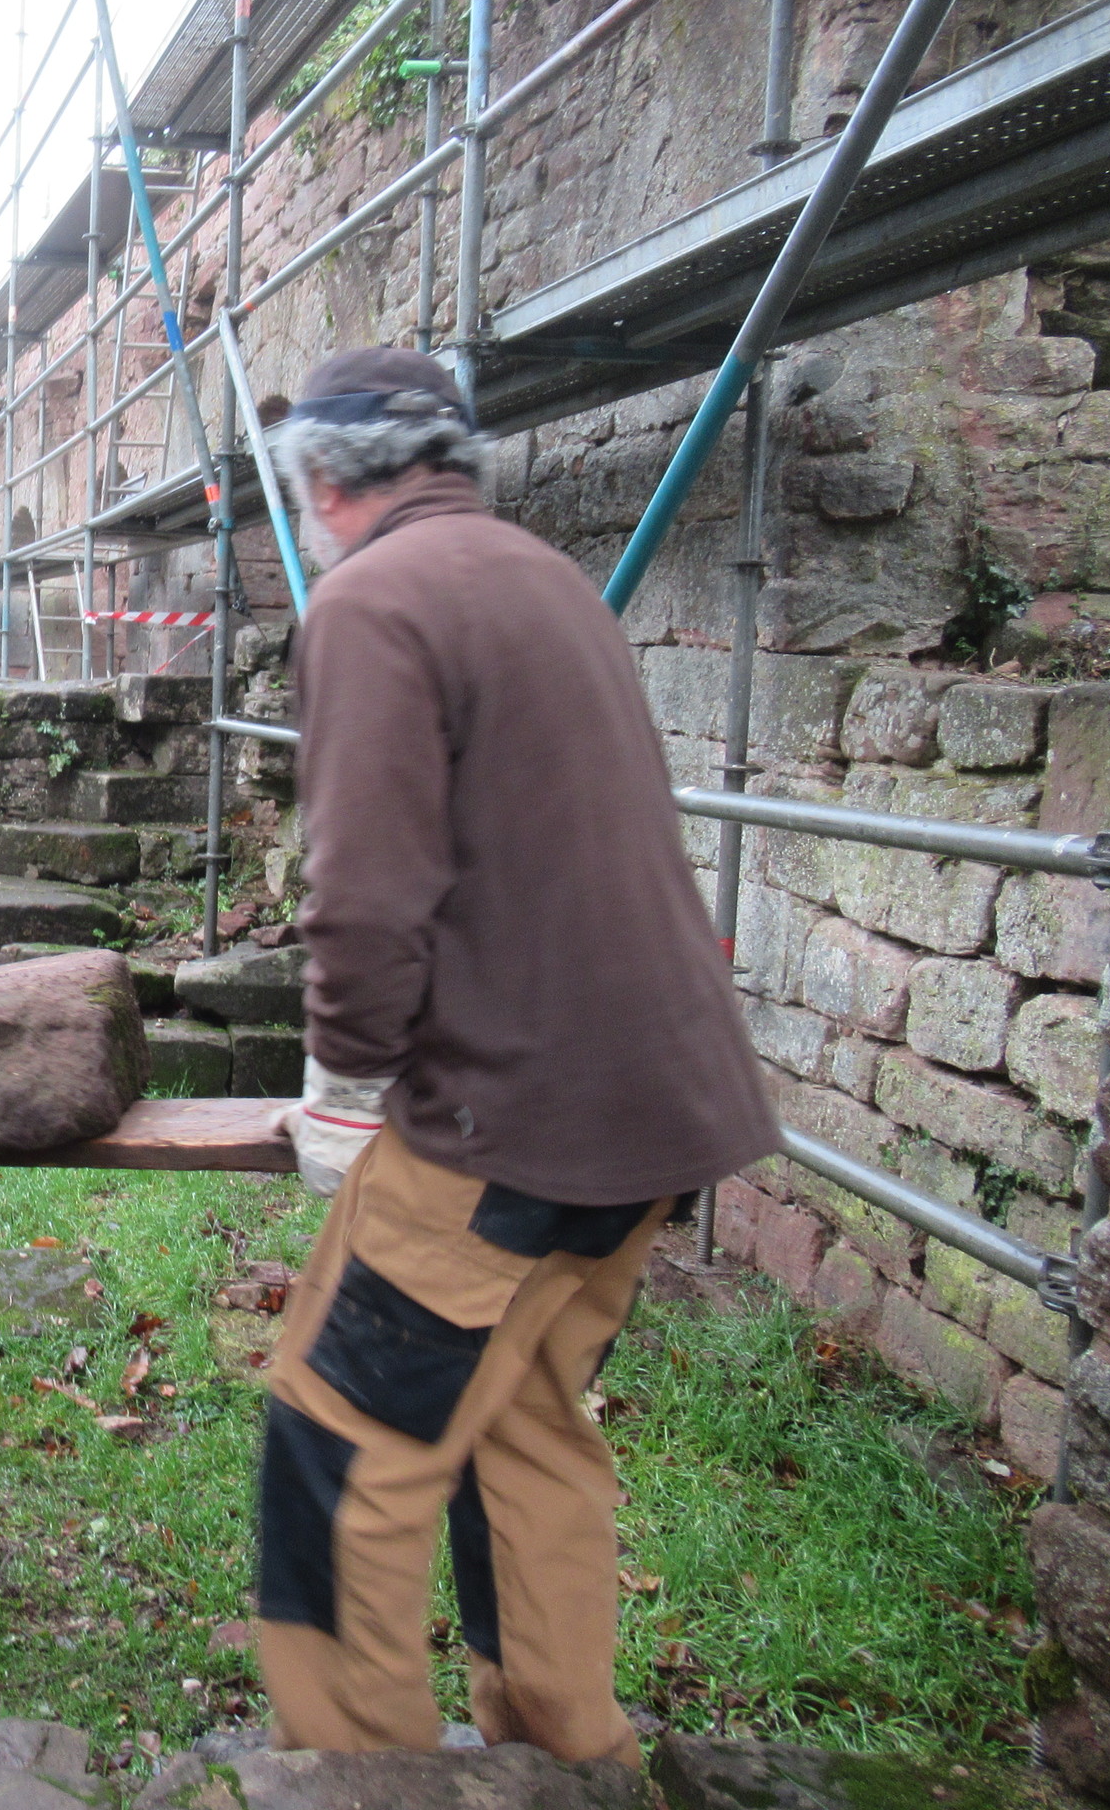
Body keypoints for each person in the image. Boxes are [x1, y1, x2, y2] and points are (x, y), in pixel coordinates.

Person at [255, 348, 775, 1765]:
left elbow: (364, 898)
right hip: (658, 1115)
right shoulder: (547, 581)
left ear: (326, 482)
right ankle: (566, 1755)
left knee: (336, 1450)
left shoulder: (370, 601)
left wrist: (344, 1090)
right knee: (525, 1427)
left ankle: (363, 1778)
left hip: (507, 1130)